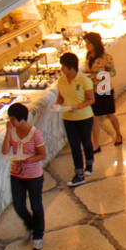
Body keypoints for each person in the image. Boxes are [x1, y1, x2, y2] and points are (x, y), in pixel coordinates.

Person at [1, 101, 46, 250]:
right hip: (17, 174)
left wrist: (28, 159)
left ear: (21, 119)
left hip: (33, 175)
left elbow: (42, 155)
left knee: (36, 205)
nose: (10, 122)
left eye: (13, 119)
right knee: (18, 205)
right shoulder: (12, 131)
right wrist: (7, 132)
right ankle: (30, 225)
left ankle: (38, 234)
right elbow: (5, 150)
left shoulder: (35, 134)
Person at [56, 51, 96, 187]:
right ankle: (79, 174)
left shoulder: (84, 80)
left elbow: (91, 99)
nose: (61, 69)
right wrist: (57, 105)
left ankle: (89, 162)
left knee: (86, 142)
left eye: (63, 66)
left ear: (71, 67)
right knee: (74, 146)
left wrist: (77, 106)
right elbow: (61, 97)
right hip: (68, 118)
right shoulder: (61, 81)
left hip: (84, 117)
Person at [84, 32, 122, 153]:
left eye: (89, 43)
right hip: (92, 90)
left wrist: (97, 75)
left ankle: (118, 134)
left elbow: (113, 73)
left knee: (110, 114)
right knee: (94, 117)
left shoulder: (106, 57)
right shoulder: (89, 56)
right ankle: (96, 144)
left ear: (95, 43)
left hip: (104, 89)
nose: (87, 45)